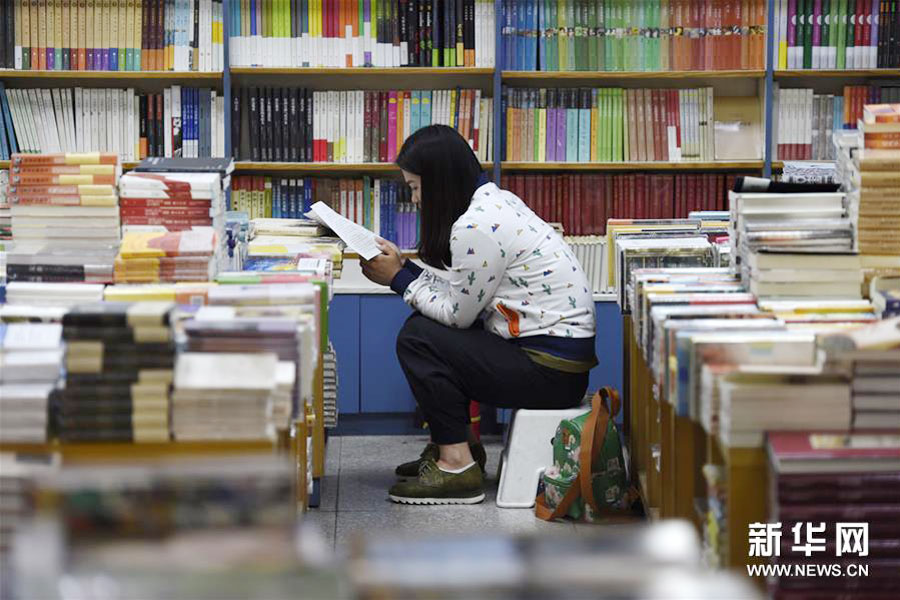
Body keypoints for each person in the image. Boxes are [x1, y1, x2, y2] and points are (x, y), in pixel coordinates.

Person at [360, 125, 597, 505]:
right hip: (557, 365)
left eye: (417, 187)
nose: (416, 199)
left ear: (441, 184)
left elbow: (457, 316)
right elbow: (466, 293)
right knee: (423, 330)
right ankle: (456, 447)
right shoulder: (494, 202)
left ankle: (457, 464)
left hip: (548, 371)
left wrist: (399, 280)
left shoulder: (475, 226)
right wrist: (405, 269)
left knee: (418, 338)